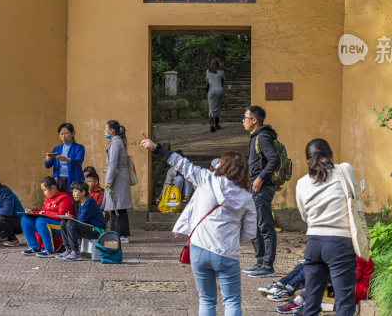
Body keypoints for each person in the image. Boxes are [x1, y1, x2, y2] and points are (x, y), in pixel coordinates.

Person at [141, 132, 256, 316]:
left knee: (206, 299)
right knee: (232, 300)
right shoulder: (246, 198)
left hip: (199, 249)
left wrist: (157, 148)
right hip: (227, 253)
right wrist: (231, 239)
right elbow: (249, 232)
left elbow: (182, 164)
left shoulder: (206, 178)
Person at [290, 138, 359, 316]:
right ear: (331, 156)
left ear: (307, 160)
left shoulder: (302, 183)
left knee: (311, 301)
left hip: (314, 243)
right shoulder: (345, 170)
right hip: (340, 244)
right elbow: (354, 199)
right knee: (344, 301)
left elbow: (305, 216)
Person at [242, 105, 280, 278]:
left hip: (261, 188)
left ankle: (268, 265)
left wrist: (261, 178)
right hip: (255, 187)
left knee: (265, 225)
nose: (243, 121)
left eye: (246, 118)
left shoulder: (262, 137)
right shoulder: (255, 137)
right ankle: (260, 261)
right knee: (253, 225)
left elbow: (274, 160)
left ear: (254, 120)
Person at [273, 256, 374, 314]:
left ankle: (300, 301)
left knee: (323, 274)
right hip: (346, 285)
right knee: (308, 267)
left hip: (357, 289)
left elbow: (353, 275)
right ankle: (297, 298)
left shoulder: (358, 253)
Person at [20, 176, 74, 257]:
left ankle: (49, 250)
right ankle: (34, 247)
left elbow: (61, 216)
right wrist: (32, 212)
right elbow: (42, 212)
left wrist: (45, 213)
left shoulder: (65, 198)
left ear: (53, 188)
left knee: (41, 220)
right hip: (47, 223)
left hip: (62, 226)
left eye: (45, 190)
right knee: (25, 219)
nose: (44, 192)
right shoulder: (48, 199)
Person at [57, 180, 107, 261]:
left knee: (71, 223)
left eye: (75, 191)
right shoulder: (81, 202)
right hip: (89, 228)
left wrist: (71, 217)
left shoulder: (89, 201)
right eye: (72, 192)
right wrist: (70, 217)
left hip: (97, 230)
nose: (73, 194)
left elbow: (81, 220)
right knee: (63, 222)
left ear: (83, 192)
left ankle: (75, 252)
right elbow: (81, 219)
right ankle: (69, 249)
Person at [102, 120, 132, 243]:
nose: (105, 131)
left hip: (117, 178)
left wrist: (108, 181)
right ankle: (121, 233)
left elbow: (113, 164)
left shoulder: (115, 143)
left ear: (112, 130)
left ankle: (119, 234)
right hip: (120, 177)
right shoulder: (118, 141)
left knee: (117, 207)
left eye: (106, 128)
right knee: (119, 206)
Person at [44, 122, 85, 192]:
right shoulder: (57, 149)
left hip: (74, 179)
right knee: (60, 201)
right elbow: (47, 165)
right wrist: (47, 160)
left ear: (73, 133)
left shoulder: (79, 147)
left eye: (66, 133)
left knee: (74, 200)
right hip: (58, 180)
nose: (63, 136)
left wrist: (66, 159)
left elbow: (79, 160)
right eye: (61, 134)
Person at [206, 58, 225, 132]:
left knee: (211, 106)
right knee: (217, 105)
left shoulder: (208, 71)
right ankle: (217, 124)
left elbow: (207, 81)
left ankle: (211, 123)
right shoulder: (221, 72)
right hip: (219, 90)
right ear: (218, 63)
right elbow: (223, 81)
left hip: (211, 90)